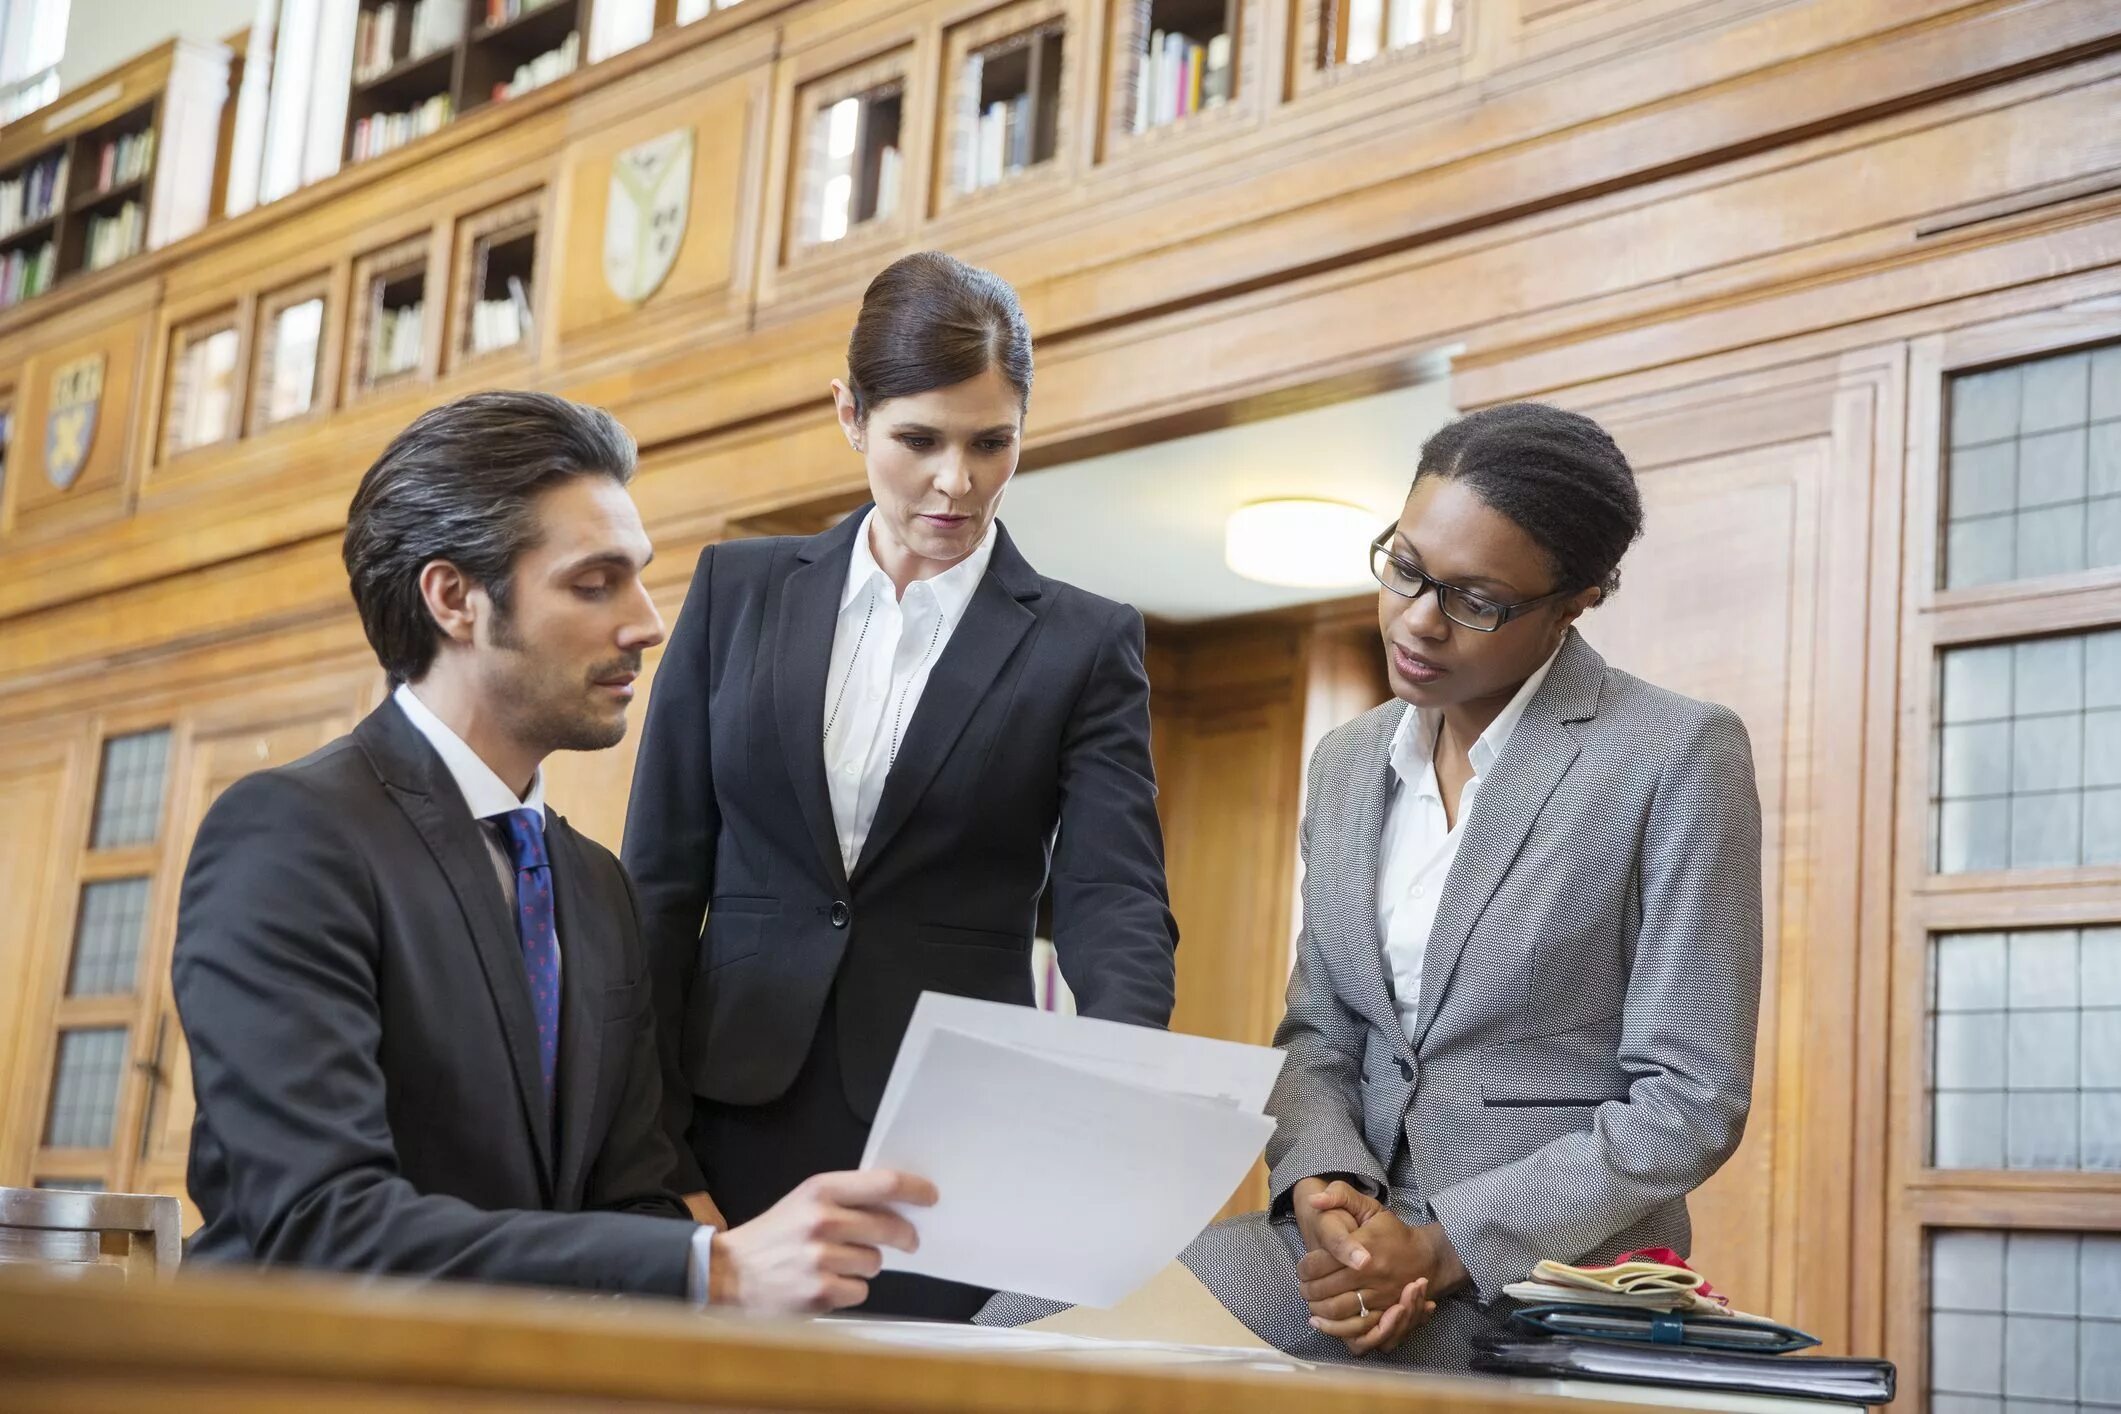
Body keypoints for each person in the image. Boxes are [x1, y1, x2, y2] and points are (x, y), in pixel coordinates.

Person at [984, 401, 1763, 1364]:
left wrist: (1438, 1250)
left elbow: (1689, 1098)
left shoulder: (1673, 752)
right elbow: (1320, 1033)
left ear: (1578, 599)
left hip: (1539, 1275)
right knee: (1015, 1324)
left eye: (1475, 601)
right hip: (1335, 1250)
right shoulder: (1349, 762)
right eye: (1404, 568)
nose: (1419, 621)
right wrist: (1321, 1182)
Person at [175, 390, 932, 1310]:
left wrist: (784, 1271)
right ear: (454, 598)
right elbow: (323, 1225)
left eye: (641, 577)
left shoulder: (591, 884)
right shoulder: (290, 836)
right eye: (593, 583)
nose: (649, 623)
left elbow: (627, 1196)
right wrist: (714, 1269)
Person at [623, 252, 1178, 1319]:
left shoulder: (1083, 642)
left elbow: (1114, 897)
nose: (956, 481)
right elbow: (657, 882)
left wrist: (1126, 1086)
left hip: (948, 1140)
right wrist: (646, 1145)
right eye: (918, 440)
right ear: (850, 414)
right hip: (724, 1113)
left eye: (991, 442)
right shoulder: (736, 593)